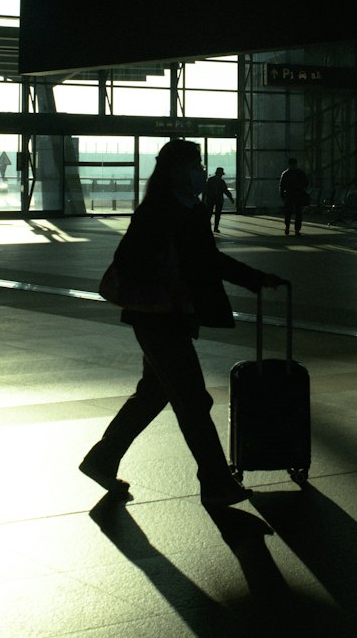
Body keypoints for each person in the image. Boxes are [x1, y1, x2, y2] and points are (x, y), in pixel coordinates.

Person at [80, 139, 286, 507]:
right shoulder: (157, 212)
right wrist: (165, 276)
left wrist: (255, 278)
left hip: (171, 315)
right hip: (156, 316)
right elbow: (128, 259)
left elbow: (210, 260)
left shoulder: (189, 210)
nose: (201, 172)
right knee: (193, 399)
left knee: (153, 394)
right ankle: (216, 482)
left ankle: (102, 459)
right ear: (177, 170)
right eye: (196, 165)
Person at [279, 157, 310, 236]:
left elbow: (281, 186)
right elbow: (306, 182)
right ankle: (297, 230)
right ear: (296, 164)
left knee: (288, 213)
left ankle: (287, 227)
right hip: (299, 195)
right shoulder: (300, 173)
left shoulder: (285, 173)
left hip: (289, 195)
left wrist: (282, 196)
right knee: (298, 213)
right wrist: (302, 189)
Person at [203, 166, 233, 232]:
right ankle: (216, 228)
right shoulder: (221, 181)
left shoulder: (210, 180)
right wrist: (231, 198)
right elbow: (226, 191)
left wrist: (204, 199)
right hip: (219, 199)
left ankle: (207, 228)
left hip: (210, 199)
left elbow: (205, 190)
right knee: (218, 214)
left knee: (209, 213)